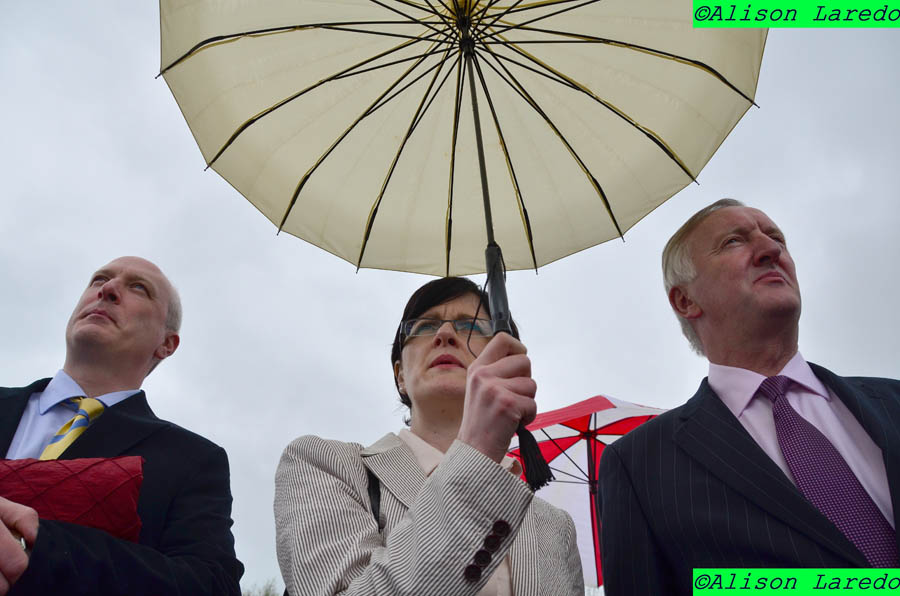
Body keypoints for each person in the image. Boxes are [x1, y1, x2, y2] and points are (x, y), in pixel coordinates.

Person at [599, 199, 900, 595]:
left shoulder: (892, 400)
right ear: (685, 300)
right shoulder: (640, 464)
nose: (771, 250)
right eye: (733, 241)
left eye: (777, 238)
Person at [275, 277, 583, 595]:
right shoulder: (324, 466)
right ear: (400, 376)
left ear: (504, 360)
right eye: (424, 326)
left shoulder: (554, 527)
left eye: (472, 325)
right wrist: (478, 452)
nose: (445, 335)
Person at [0, 256, 243, 596]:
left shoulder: (193, 460)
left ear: (166, 344)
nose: (108, 290)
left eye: (138, 288)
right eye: (99, 280)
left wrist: (37, 546)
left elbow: (211, 585)